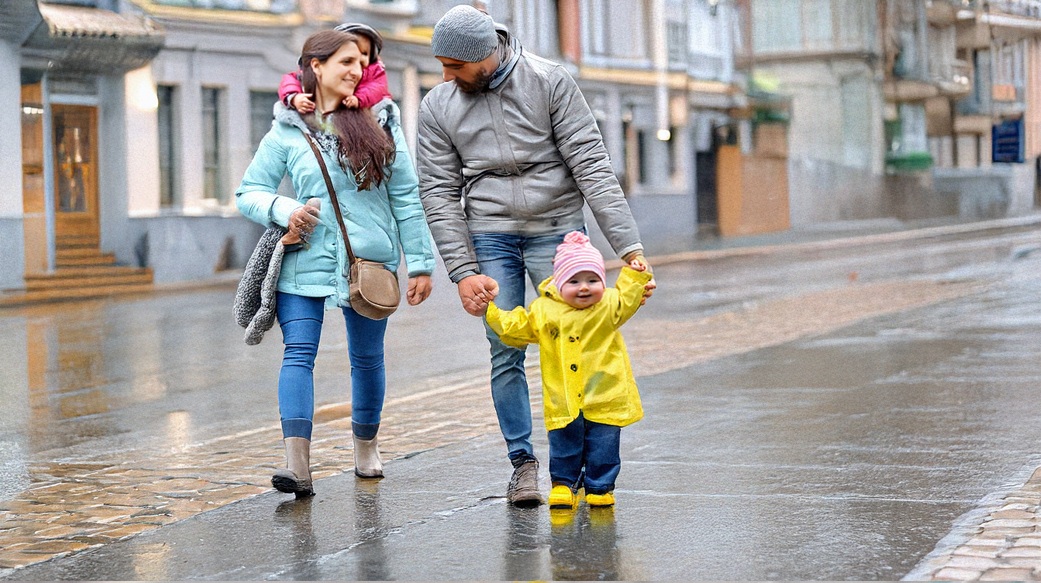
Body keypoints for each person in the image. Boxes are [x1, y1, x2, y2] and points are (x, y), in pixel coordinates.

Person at [416, 4, 655, 506]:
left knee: (580, 340)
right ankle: (523, 464)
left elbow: (591, 163)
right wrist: (461, 271)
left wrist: (628, 248)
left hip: (558, 231)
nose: (445, 76)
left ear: (485, 53)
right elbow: (437, 191)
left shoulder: (549, 81)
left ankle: (585, 462)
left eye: (454, 67)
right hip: (489, 232)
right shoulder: (438, 105)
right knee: (505, 348)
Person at [236, 29, 435, 497]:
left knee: (366, 361)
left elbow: (405, 194)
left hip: (369, 262)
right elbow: (249, 192)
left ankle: (365, 446)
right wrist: (284, 210)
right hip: (303, 257)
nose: (356, 70)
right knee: (297, 355)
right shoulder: (286, 129)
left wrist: (421, 263)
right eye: (345, 61)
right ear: (316, 66)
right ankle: (297, 465)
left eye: (360, 63)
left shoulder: (381, 121)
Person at [481, 231, 652, 513]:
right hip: (563, 396)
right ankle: (563, 484)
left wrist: (634, 275)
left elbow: (628, 299)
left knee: (605, 445)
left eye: (593, 280)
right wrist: (493, 313)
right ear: (559, 284)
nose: (584, 288)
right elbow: (518, 326)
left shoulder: (609, 305)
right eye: (574, 281)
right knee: (564, 443)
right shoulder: (544, 310)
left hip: (605, 393)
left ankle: (600, 487)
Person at [278, 22, 391, 115]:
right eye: (347, 61)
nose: (359, 58)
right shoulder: (290, 123)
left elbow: (377, 88)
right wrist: (293, 98)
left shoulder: (375, 71)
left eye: (364, 53)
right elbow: (291, 80)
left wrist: (359, 99)